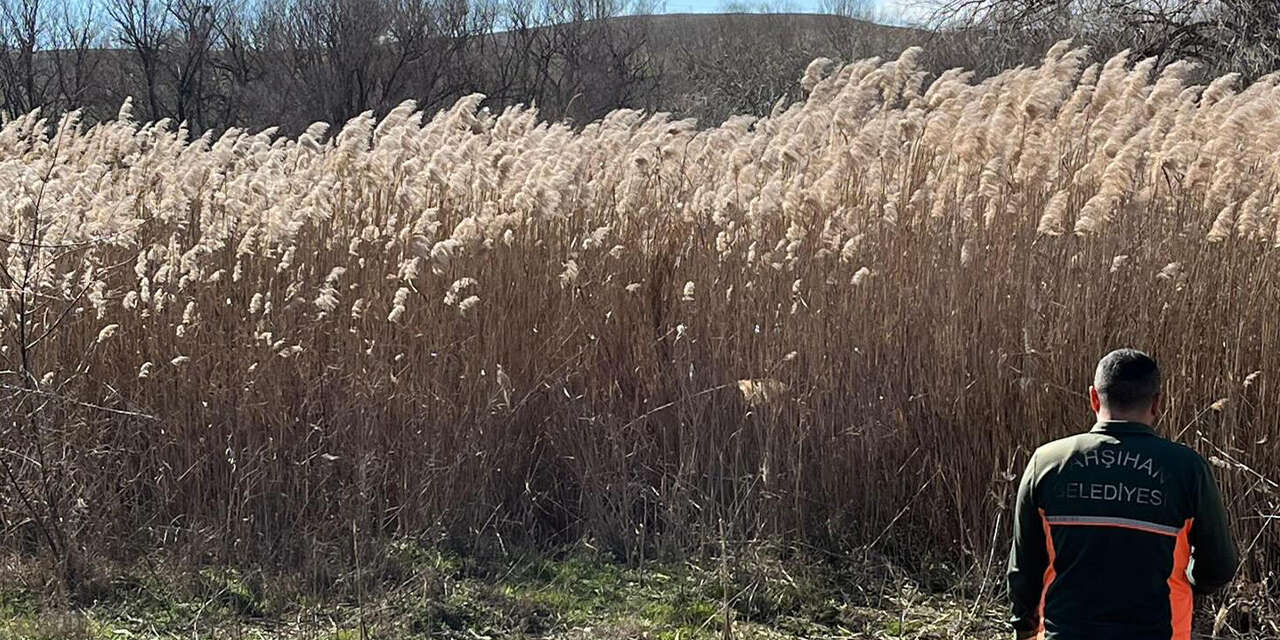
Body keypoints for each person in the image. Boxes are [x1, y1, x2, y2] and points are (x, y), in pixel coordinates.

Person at [1007, 348, 1238, 640]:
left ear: (1093, 397)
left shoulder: (1047, 462)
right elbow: (1220, 567)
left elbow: (1024, 567)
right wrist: (1189, 580)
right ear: (1157, 403)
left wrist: (1024, 627)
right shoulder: (1186, 469)